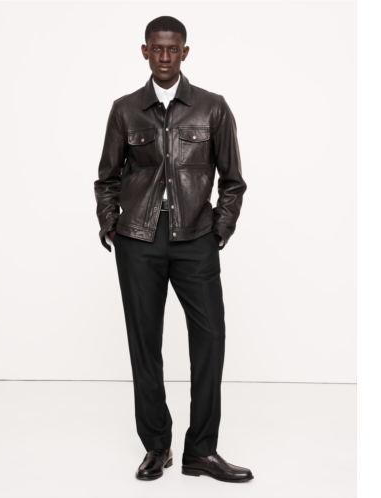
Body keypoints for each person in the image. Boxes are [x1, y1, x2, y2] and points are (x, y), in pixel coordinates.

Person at [94, 16, 252, 483]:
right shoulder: (125, 110)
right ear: (145, 51)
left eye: (172, 49)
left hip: (196, 238)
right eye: (157, 48)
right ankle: (156, 446)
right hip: (138, 240)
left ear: (185, 52)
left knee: (211, 339)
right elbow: (107, 178)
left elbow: (233, 181)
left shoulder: (212, 108)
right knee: (145, 344)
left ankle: (200, 451)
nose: (164, 56)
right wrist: (111, 226)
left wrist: (219, 230)